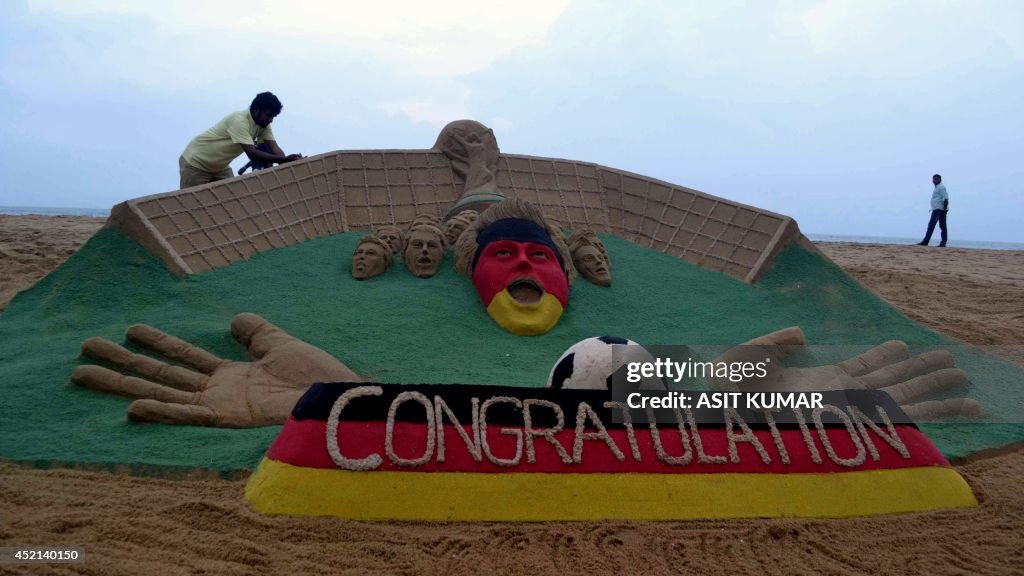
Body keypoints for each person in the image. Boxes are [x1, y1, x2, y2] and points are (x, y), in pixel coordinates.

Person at [179, 92, 303, 189]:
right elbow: (252, 154)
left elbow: (275, 148)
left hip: (219, 168)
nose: (271, 120)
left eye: (273, 117)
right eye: (269, 115)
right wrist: (284, 160)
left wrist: (289, 163)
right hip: (196, 162)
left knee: (234, 200)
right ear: (256, 110)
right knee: (191, 207)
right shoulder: (239, 120)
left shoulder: (263, 125)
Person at [918, 174, 949, 247]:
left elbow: (946, 199)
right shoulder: (937, 188)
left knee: (932, 225)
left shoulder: (941, 187)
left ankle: (926, 241)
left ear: (940, 180)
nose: (934, 180)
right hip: (937, 209)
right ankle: (942, 243)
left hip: (939, 210)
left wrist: (944, 211)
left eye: (936, 179)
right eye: (933, 179)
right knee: (942, 226)